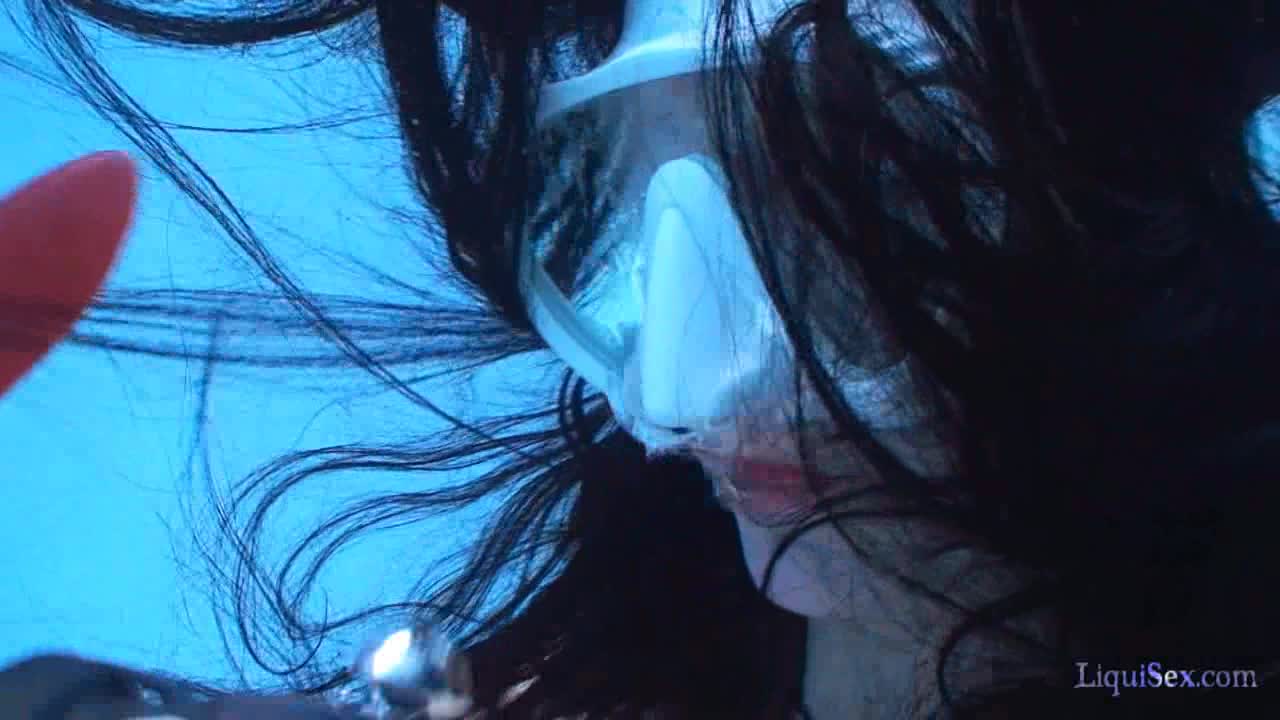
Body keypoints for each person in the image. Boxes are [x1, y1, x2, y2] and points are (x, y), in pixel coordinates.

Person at [3, 0, 1280, 717]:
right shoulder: (638, 635)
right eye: (604, 201)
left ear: (1128, 213)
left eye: (866, 203)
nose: (674, 397)